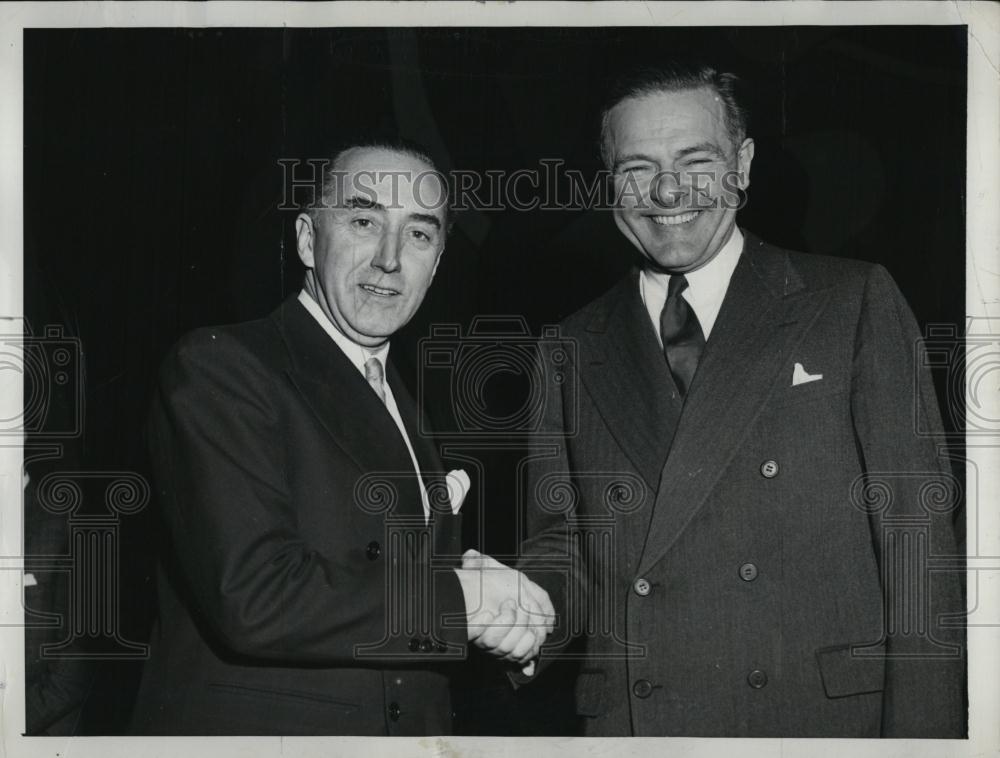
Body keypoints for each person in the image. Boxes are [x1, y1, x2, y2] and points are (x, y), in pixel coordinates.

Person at [506, 64, 966, 737]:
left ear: (742, 166)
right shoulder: (568, 346)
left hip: (815, 723)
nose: (667, 190)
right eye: (638, 167)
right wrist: (521, 608)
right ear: (608, 182)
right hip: (642, 726)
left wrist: (927, 743)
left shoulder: (851, 301)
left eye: (696, 159)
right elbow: (564, 549)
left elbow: (917, 544)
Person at [129, 142, 553, 736]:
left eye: (419, 235)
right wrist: (465, 600)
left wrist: (509, 621)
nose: (389, 260)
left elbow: (386, 617)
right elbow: (254, 596)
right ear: (306, 239)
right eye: (363, 221)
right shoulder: (221, 366)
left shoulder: (403, 402)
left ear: (438, 263)